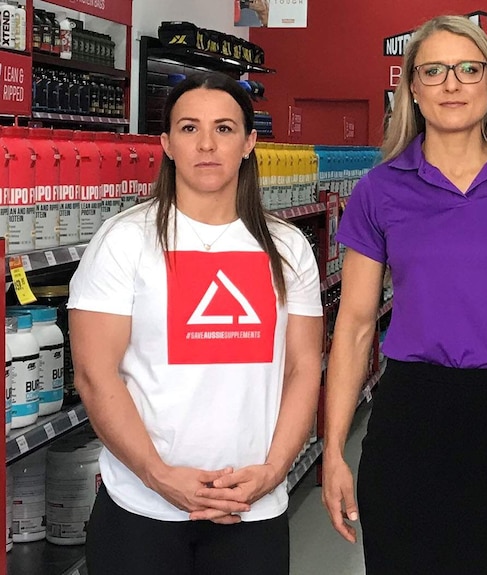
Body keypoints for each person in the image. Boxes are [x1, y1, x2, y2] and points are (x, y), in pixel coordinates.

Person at [321, 14, 487, 575]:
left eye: (468, 69)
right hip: (411, 417)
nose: (451, 84)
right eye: (433, 70)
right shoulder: (380, 189)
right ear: (412, 89)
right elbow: (356, 325)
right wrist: (334, 448)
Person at [68, 72, 323, 575]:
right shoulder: (124, 240)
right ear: (166, 143)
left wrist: (272, 472)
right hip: (143, 510)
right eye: (189, 128)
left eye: (225, 128)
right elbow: (95, 375)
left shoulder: (287, 247)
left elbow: (303, 367)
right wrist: (158, 475)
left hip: (251, 508)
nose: (207, 144)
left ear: (250, 143)